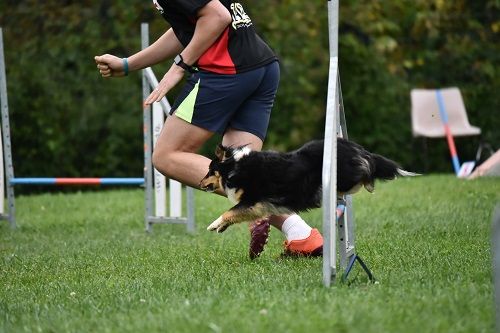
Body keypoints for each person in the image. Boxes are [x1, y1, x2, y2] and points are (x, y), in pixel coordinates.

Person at [94, 0, 323, 259]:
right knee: (242, 167)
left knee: (167, 156)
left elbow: (216, 16)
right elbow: (188, 29)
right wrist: (129, 64)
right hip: (261, 67)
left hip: (226, 72)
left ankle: (259, 206)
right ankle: (302, 235)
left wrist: (178, 67)